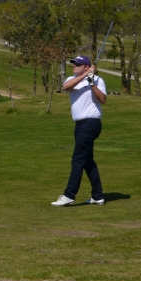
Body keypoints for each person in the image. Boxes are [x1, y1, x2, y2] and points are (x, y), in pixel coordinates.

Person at [51, 55, 107, 206]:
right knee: (87, 161)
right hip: (80, 125)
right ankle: (98, 196)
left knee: (78, 159)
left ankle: (69, 195)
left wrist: (92, 83)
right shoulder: (71, 78)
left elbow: (102, 99)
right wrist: (84, 76)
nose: (74, 66)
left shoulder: (98, 80)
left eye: (78, 64)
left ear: (87, 66)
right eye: (74, 64)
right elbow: (66, 87)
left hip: (91, 123)